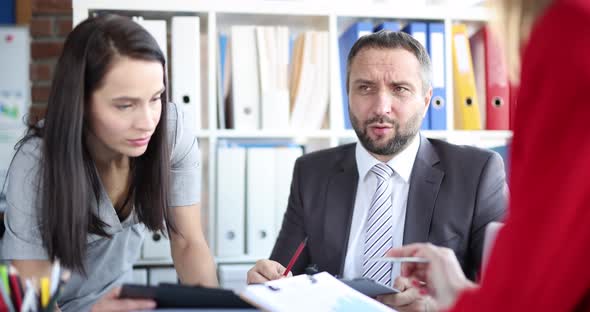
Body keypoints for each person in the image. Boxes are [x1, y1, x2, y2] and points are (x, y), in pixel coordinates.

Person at [247, 31, 508, 311]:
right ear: (348, 94)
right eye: (366, 88)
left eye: (400, 89)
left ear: (426, 99)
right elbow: (284, 277)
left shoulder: (477, 173)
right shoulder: (312, 172)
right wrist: (268, 284)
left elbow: (509, 294)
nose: (381, 107)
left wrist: (440, 307)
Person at [0, 14, 217, 311]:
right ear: (80, 102)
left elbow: (188, 243)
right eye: (125, 105)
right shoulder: (36, 163)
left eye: (156, 98)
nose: (147, 122)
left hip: (112, 300)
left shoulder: (171, 130)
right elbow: (33, 301)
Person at [386, 0, 590, 310]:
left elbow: (531, 296)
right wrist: (461, 292)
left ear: (428, 98)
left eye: (400, 88)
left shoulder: (570, 28)